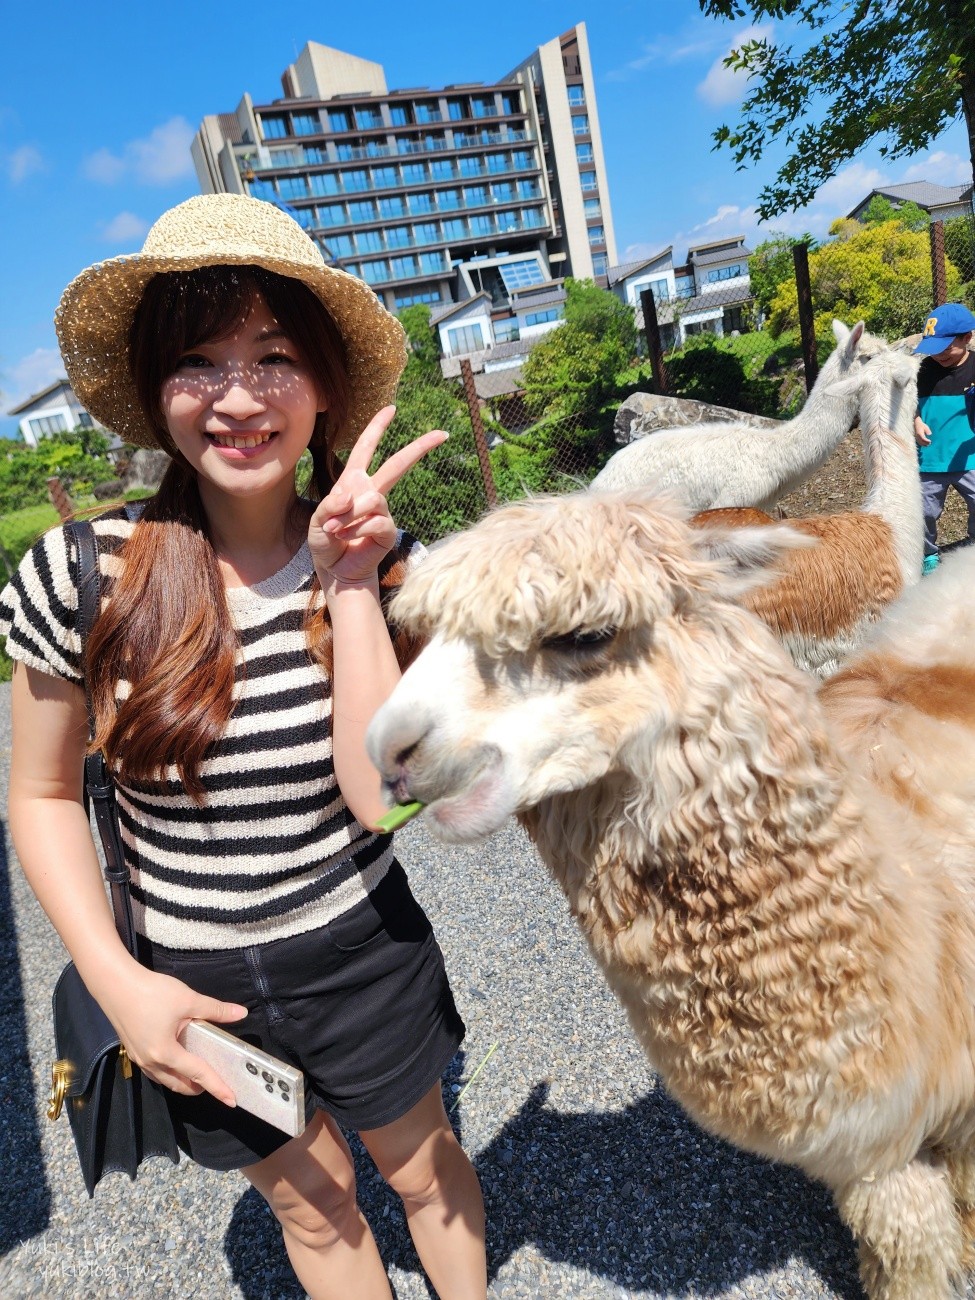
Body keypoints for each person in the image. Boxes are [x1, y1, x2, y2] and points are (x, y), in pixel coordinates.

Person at [1, 194, 486, 1300]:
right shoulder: (83, 577)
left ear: (321, 381)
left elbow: (383, 802)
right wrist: (117, 983)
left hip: (364, 952)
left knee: (426, 1175)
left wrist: (354, 583)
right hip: (195, 991)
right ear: (155, 387)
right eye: (197, 359)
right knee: (313, 1214)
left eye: (273, 355)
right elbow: (36, 795)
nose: (235, 396)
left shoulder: (383, 564)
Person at [912, 300, 975, 573]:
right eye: (933, 348)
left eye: (946, 347)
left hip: (970, 459)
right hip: (930, 460)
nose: (939, 355)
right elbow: (909, 404)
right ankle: (928, 553)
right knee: (924, 512)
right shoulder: (922, 371)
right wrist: (915, 421)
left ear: (968, 337)